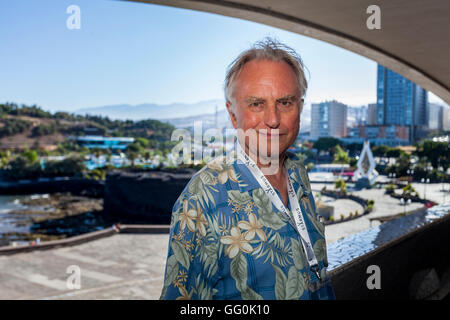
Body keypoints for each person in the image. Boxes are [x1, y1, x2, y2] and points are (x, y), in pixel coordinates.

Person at [160, 37, 335, 300]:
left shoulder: (298, 173)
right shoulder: (203, 196)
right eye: (257, 104)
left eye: (285, 102)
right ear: (232, 115)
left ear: (299, 107)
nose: (273, 119)